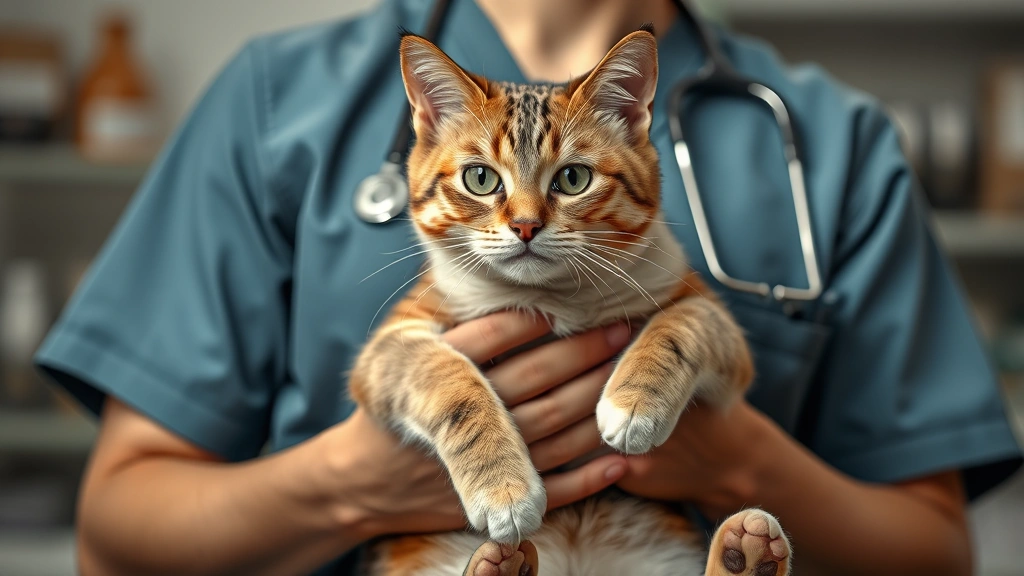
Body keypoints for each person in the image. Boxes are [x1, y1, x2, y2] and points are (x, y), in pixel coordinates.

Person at [35, 0, 1021, 575]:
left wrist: (736, 465)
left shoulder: (827, 140)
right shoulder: (278, 99)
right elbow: (115, 534)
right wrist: (356, 488)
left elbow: (935, 552)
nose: (522, 222)